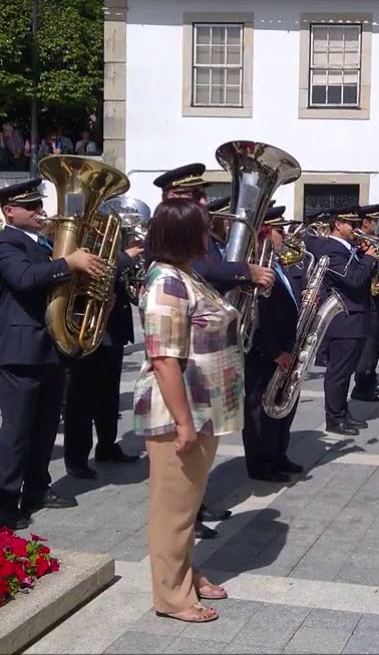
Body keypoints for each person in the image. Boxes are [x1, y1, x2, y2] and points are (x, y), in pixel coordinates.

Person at [133, 198, 244, 624]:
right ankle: (171, 597)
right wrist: (183, 423)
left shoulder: (186, 274)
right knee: (173, 512)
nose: (210, 235)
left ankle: (185, 575)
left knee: (187, 505)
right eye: (204, 228)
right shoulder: (166, 282)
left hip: (202, 407)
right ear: (185, 234)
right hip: (179, 412)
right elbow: (164, 359)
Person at [0, 178, 104, 529]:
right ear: (9, 211)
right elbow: (24, 278)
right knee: (17, 431)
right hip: (20, 350)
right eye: (30, 206)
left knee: (45, 428)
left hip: (52, 346)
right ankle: (6, 502)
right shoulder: (2, 243)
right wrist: (69, 262)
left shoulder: (45, 244)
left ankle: (37, 488)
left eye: (39, 204)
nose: (40, 211)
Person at [62, 224, 144, 479]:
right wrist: (124, 259)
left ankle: (107, 446)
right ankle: (76, 458)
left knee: (109, 397)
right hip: (85, 329)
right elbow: (88, 272)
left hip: (111, 330)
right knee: (81, 399)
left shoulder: (110, 246)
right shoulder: (75, 244)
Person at [241, 206, 304, 482]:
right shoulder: (258, 266)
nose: (285, 236)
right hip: (264, 352)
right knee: (260, 408)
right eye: (280, 230)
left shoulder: (279, 263)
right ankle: (260, 464)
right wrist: (275, 352)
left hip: (286, 346)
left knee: (282, 403)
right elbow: (256, 316)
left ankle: (279, 454)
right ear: (266, 233)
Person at [309, 207, 377, 436]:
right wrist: (368, 259)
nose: (356, 229)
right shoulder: (330, 249)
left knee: (346, 371)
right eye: (351, 224)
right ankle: (334, 418)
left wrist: (365, 257)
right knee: (338, 372)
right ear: (337, 225)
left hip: (355, 317)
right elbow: (354, 280)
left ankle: (342, 412)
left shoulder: (347, 248)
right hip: (343, 319)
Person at [353, 204, 379, 402]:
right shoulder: (358, 243)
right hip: (366, 299)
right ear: (366, 222)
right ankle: (362, 385)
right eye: (376, 222)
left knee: (374, 343)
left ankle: (370, 379)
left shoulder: (373, 241)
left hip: (376, 297)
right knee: (368, 345)